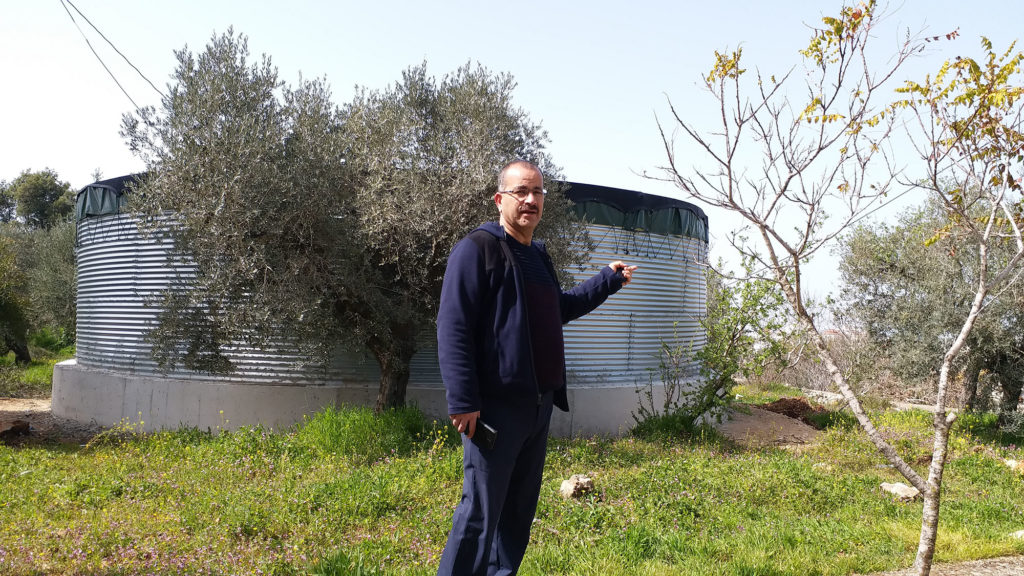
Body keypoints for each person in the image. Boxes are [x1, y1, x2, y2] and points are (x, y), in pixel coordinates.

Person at [436, 160, 636, 575]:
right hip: (494, 409)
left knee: (517, 515)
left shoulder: (537, 255)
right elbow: (453, 325)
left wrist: (606, 280)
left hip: (538, 406)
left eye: (538, 192)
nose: (531, 200)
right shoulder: (477, 249)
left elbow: (556, 310)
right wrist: (463, 400)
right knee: (479, 514)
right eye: (521, 192)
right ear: (499, 199)